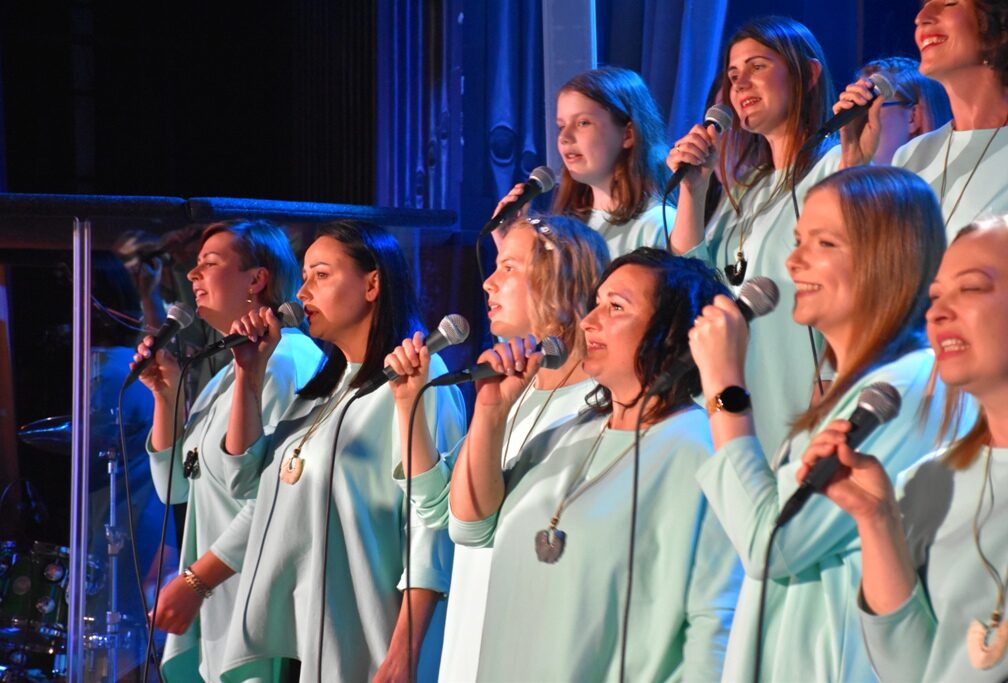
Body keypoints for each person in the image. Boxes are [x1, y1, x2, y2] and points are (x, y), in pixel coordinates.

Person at [689, 166, 956, 681]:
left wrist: (724, 386)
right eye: (797, 241)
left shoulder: (903, 391)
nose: (793, 262)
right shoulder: (867, 387)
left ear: (889, 258)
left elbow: (773, 543)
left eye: (825, 243)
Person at [447, 248, 742, 681]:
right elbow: (471, 528)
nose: (588, 321)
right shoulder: (571, 431)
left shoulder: (699, 449)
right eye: (596, 303)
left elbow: (716, 623)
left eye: (616, 307)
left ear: (671, 334)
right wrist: (491, 412)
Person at [210, 220, 465, 681]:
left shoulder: (422, 378)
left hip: (369, 638)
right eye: (304, 275)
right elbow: (244, 482)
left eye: (322, 275)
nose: (302, 291)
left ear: (372, 284)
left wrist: (404, 652)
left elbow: (432, 527)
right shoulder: (323, 388)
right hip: (298, 635)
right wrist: (249, 374)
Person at [383, 214, 610, 681]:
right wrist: (408, 404)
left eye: (509, 268)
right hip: (474, 626)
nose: (488, 283)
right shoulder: (514, 393)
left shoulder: (602, 403)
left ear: (563, 281)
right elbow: (440, 510)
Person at [801, 215, 1008, 681]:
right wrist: (876, 520)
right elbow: (912, 672)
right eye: (934, 297)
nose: (937, 313)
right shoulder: (927, 482)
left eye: (971, 288)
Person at [134, 220, 324, 683]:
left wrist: (195, 580)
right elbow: (175, 488)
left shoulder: (288, 363)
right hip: (220, 603)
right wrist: (166, 397)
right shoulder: (224, 376)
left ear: (256, 279)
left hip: (258, 609)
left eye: (210, 263)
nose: (193, 274)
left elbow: (278, 498)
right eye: (195, 265)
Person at [667, 16, 841, 456]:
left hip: (800, 404)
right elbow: (692, 282)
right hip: (728, 406)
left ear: (809, 73)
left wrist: (831, 387)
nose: (740, 84)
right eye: (732, 75)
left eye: (757, 66)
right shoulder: (746, 188)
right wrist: (694, 191)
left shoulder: (837, 169)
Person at [837, 0, 1008, 235]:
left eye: (948, 2)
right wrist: (853, 168)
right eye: (925, 3)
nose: (921, 17)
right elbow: (875, 251)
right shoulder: (911, 155)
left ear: (998, 26)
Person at [496, 66, 672, 258]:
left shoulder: (658, 225)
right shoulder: (563, 229)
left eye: (583, 123)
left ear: (628, 135)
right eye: (561, 126)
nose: (564, 137)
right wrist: (508, 245)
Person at [853, 56, 951, 164]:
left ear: (913, 117)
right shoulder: (841, 161)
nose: (856, 121)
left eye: (870, 106)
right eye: (856, 108)